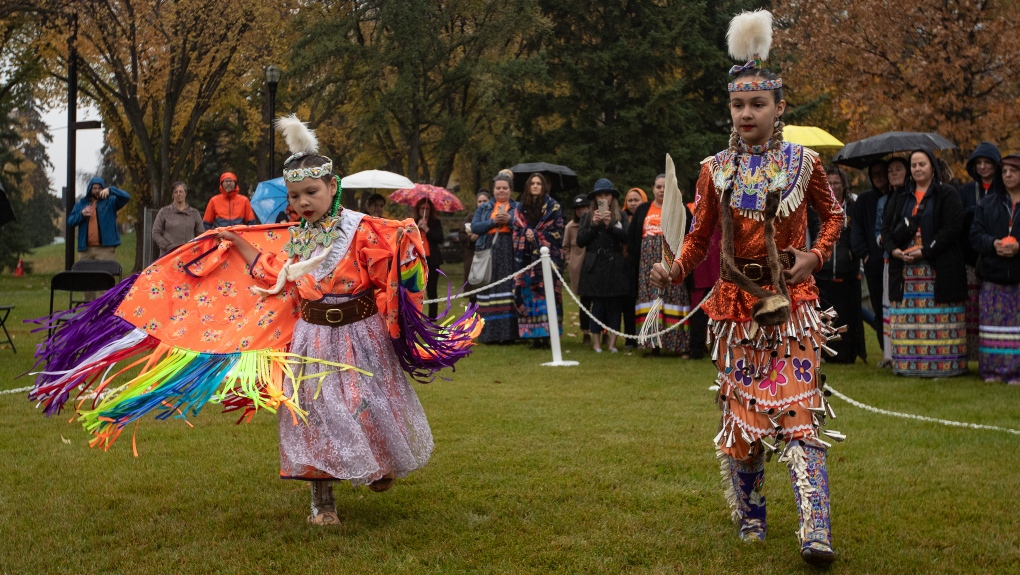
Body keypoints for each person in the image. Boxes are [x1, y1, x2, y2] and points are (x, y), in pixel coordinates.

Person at [30, 116, 480, 526]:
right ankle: (322, 500)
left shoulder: (363, 231)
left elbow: (394, 273)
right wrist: (239, 245)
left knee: (367, 401)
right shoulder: (294, 239)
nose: (303, 203)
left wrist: (405, 242)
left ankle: (378, 463)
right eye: (295, 197)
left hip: (361, 337)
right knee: (313, 414)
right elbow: (274, 276)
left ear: (333, 188)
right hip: (312, 338)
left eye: (312, 193)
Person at [650, 10, 844, 564]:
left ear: (779, 107)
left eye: (757, 104)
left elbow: (834, 216)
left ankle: (816, 529)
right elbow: (699, 236)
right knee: (744, 424)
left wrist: (813, 255)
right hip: (736, 313)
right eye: (738, 105)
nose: (746, 113)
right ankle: (752, 518)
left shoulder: (804, 164)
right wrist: (675, 271)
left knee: (801, 415)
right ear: (729, 110)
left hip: (793, 310)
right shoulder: (714, 170)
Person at [881, 149, 967, 377]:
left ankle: (945, 367)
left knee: (940, 315)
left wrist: (926, 250)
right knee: (910, 316)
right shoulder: (900, 197)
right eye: (914, 165)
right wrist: (895, 251)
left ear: (932, 167)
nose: (917, 169)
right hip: (906, 270)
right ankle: (909, 366)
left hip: (938, 266)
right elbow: (886, 230)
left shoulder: (946, 193)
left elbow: (953, 228)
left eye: (922, 164)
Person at [628, 173, 692, 356]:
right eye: (658, 187)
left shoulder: (681, 209)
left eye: (666, 187)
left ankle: (677, 344)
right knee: (650, 300)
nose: (662, 190)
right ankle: (651, 345)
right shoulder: (642, 210)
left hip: (673, 262)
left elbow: (690, 237)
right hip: (647, 264)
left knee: (674, 298)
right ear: (653, 189)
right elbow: (632, 239)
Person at [971, 153, 1020, 384]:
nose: (1008, 175)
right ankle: (992, 371)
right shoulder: (988, 203)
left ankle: (1017, 373)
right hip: (993, 275)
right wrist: (993, 244)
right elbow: (975, 235)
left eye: (1014, 171)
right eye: (1005, 171)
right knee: (993, 329)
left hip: (1018, 277)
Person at [810, 166, 865, 363]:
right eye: (829, 183)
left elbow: (859, 232)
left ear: (844, 184)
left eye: (836, 183)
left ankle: (847, 353)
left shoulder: (853, 205)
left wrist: (854, 254)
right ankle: (824, 352)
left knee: (846, 315)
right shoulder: (816, 206)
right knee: (824, 315)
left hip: (847, 271)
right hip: (823, 271)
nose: (833, 187)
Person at [576, 179, 629, 353]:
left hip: (615, 266)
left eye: (606, 194)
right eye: (600, 195)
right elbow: (580, 241)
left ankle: (612, 343)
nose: (603, 197)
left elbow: (627, 238)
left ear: (612, 197)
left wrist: (611, 225)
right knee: (596, 305)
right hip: (595, 265)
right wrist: (594, 225)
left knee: (615, 305)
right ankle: (596, 343)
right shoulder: (587, 216)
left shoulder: (620, 215)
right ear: (595, 198)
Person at [960, 143, 1002, 361]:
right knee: (971, 308)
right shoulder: (966, 190)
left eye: (988, 163)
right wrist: (974, 212)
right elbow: (959, 219)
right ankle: (973, 352)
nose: (983, 167)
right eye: (979, 163)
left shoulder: (1002, 191)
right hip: (970, 257)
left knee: (992, 306)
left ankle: (993, 350)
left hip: (995, 257)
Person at [513, 173, 564, 348]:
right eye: (532, 183)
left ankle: (549, 336)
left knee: (546, 297)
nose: (535, 186)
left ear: (543, 186)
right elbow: (515, 229)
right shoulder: (520, 208)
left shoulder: (553, 207)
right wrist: (524, 234)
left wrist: (535, 235)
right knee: (529, 298)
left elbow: (557, 232)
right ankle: (534, 336)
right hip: (526, 261)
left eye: (538, 183)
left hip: (547, 262)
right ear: (528, 186)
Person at [472, 173, 519, 344]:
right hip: (488, 249)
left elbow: (524, 225)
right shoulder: (485, 208)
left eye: (504, 188)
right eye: (498, 187)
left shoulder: (517, 207)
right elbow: (475, 227)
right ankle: (489, 335)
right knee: (489, 290)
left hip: (509, 250)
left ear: (510, 190)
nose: (501, 190)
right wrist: (492, 222)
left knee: (507, 289)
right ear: (493, 189)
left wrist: (510, 220)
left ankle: (508, 335)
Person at [849, 160, 889, 353]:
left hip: (896, 261)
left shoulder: (898, 196)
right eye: (875, 174)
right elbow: (856, 231)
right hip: (874, 262)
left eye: (883, 173)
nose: (879, 177)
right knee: (879, 308)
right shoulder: (864, 201)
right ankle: (885, 349)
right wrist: (864, 254)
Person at [876, 157, 909, 367]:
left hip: (911, 259)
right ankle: (890, 353)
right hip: (891, 258)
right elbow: (881, 231)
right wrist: (888, 243)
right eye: (890, 170)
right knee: (889, 306)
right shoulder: (886, 201)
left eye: (898, 169)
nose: (893, 173)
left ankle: (906, 350)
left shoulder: (912, 198)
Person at [67, 176, 130, 260]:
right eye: (94, 188)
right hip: (85, 250)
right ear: (90, 189)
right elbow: (70, 221)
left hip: (105, 249)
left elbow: (126, 197)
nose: (97, 190)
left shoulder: (110, 202)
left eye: (99, 188)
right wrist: (81, 214)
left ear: (103, 188)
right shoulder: (81, 204)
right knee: (84, 273)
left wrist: (111, 190)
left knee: (105, 273)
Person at [562, 193, 591, 344]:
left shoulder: (594, 222)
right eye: (578, 208)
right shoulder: (570, 227)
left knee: (600, 301)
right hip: (578, 266)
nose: (581, 210)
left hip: (594, 264)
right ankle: (585, 332)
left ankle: (602, 332)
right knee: (584, 302)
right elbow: (565, 246)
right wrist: (570, 261)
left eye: (584, 207)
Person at [151, 181, 205, 257]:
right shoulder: (164, 212)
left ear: (185, 193)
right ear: (172, 195)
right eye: (176, 192)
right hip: (168, 255)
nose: (178, 194)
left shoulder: (194, 213)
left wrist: (195, 247)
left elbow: (201, 234)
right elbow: (155, 232)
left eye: (181, 191)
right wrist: (166, 246)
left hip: (189, 255)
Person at [621, 188, 646, 348]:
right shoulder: (621, 218)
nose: (632, 203)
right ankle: (630, 338)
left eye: (636, 200)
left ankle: (643, 336)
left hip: (642, 263)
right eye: (630, 200)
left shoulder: (648, 217)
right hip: (624, 265)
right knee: (627, 302)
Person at [414, 197, 445, 318]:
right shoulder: (414, 221)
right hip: (417, 260)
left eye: (427, 208)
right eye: (422, 208)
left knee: (432, 290)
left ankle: (432, 318)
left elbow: (440, 238)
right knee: (416, 290)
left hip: (432, 260)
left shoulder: (435, 222)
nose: (424, 210)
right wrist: (417, 227)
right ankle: (415, 316)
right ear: (418, 209)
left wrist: (427, 229)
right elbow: (408, 237)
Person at [460, 189, 490, 303]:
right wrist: (471, 238)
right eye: (479, 201)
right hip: (473, 258)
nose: (482, 204)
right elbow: (461, 236)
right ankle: (471, 320)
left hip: (488, 257)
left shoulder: (493, 217)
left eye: (485, 201)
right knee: (473, 295)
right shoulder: (470, 218)